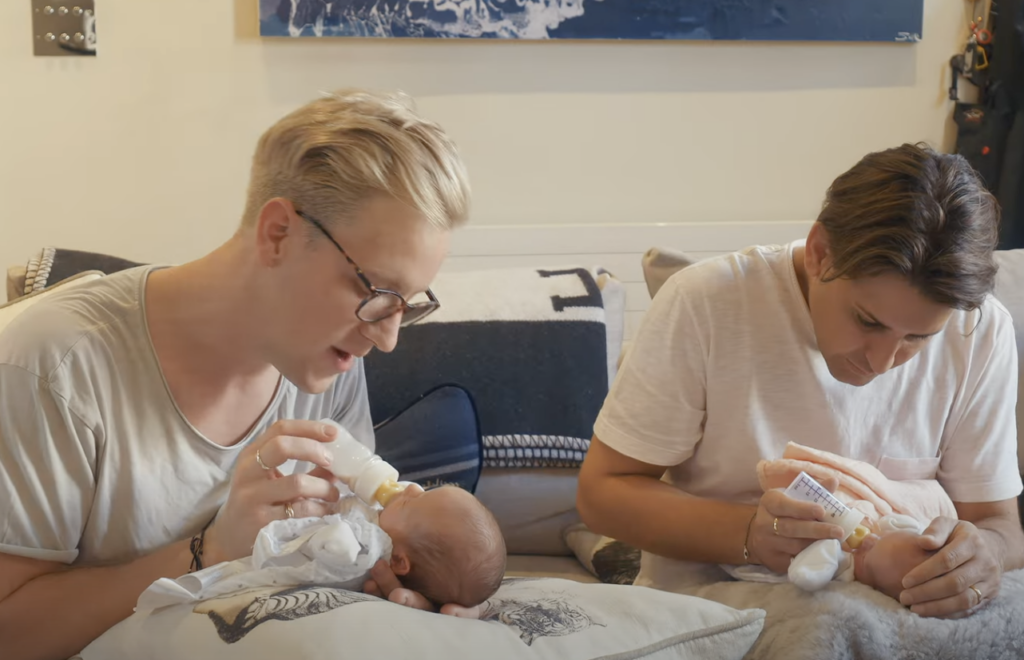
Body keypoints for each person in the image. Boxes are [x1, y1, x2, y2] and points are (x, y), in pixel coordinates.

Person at [0, 89, 477, 660]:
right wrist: (213, 548)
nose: (388, 337)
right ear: (277, 233)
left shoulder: (329, 362)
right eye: (376, 292)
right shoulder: (57, 366)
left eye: (408, 304)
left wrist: (410, 584)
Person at [577, 143, 1024, 620]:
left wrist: (983, 556)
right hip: (716, 618)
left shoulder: (981, 329)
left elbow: (996, 523)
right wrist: (747, 532)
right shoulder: (707, 303)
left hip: (903, 623)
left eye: (917, 337)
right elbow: (602, 493)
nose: (883, 361)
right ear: (818, 254)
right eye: (868, 322)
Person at [137, 483, 507, 611]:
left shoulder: (369, 545)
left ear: (399, 561)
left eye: (414, 502)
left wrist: (329, 517)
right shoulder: (394, 529)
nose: (410, 489)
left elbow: (337, 545)